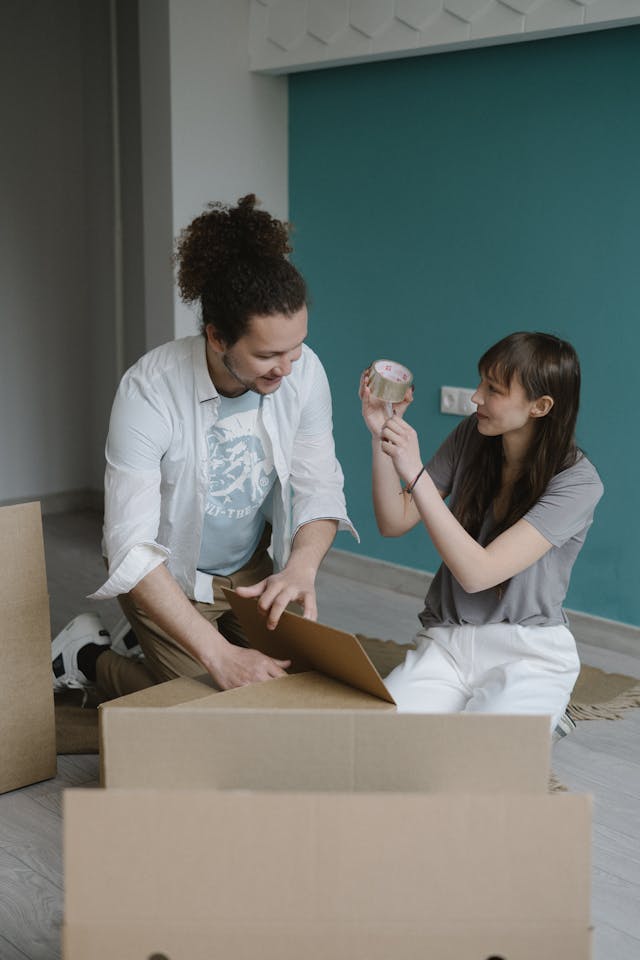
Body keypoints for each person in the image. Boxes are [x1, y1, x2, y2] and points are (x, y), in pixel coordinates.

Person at [52, 194, 356, 700]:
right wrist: (219, 655)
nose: (287, 367)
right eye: (267, 354)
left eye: (296, 347)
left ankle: (146, 645)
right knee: (216, 707)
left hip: (250, 572)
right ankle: (87, 656)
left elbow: (319, 484)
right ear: (217, 337)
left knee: (305, 692)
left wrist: (301, 566)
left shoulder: (304, 372)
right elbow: (130, 546)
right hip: (168, 577)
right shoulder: (149, 391)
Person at [359, 331, 603, 731]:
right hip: (450, 640)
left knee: (475, 760)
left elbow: (479, 574)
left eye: (493, 389)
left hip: (527, 649)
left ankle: (549, 706)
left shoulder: (579, 483)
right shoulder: (473, 435)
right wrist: (380, 434)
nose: (476, 397)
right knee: (379, 737)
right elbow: (394, 521)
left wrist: (414, 473)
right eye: (481, 383)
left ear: (540, 406)